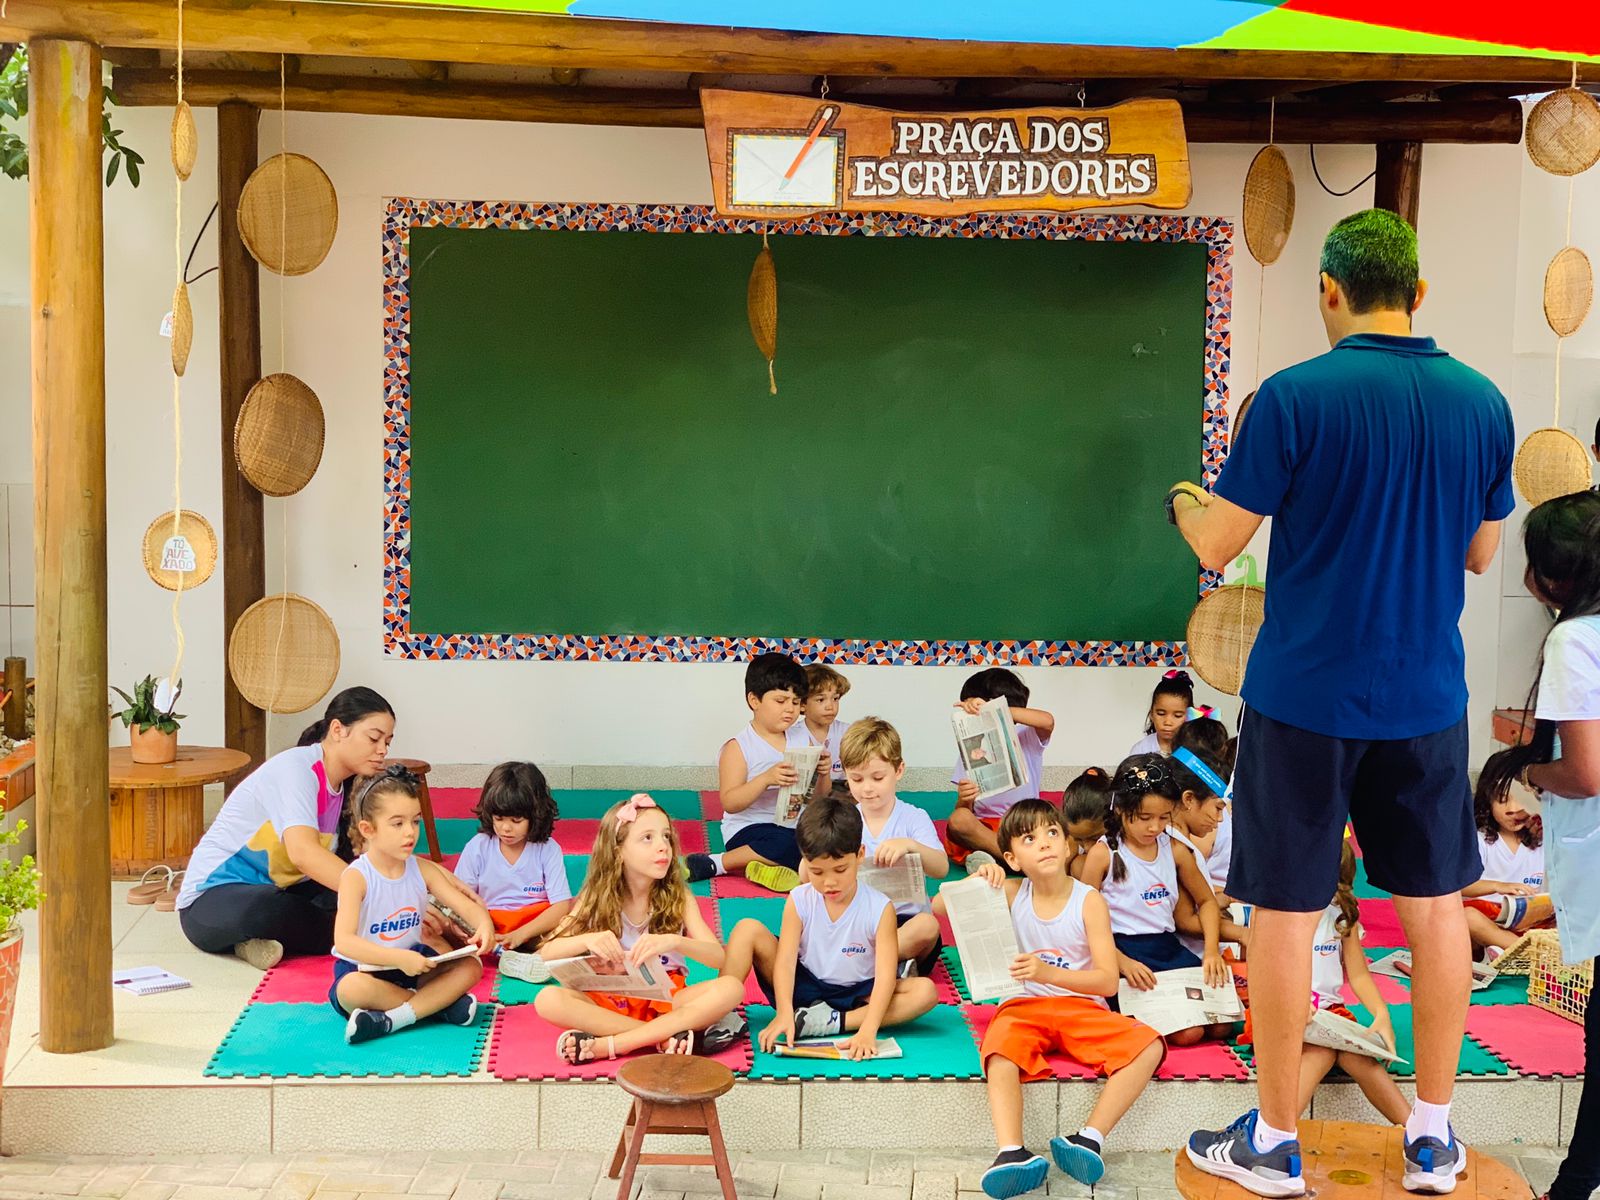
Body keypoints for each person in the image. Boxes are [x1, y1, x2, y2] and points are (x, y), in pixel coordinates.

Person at [1168, 209, 1515, 1196]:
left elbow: (1214, 548)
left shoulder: (1290, 398)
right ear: (1419, 290)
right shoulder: (1482, 402)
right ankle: (1435, 1139)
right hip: (1423, 696)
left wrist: (1187, 504)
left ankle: (1273, 1144)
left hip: (1304, 697)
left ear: (1328, 289)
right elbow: (1480, 551)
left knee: (1281, 913)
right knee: (1434, 908)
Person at [1475, 492, 1600, 1200]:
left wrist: (1527, 771)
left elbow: (1585, 771)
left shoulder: (1574, 637)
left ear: (1553, 576)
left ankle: (1576, 1181)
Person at [965, 799, 1164, 1200]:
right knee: (998, 1050)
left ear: (1068, 844)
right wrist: (980, 880)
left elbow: (1108, 982)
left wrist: (1047, 973)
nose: (1044, 844)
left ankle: (1089, 1138)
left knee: (1150, 1046)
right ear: (1012, 858)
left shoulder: (1089, 900)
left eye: (1052, 833)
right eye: (1029, 838)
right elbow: (941, 905)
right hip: (1025, 1008)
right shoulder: (1010, 892)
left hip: (1082, 1008)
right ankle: (1010, 1152)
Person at [177, 687, 396, 970]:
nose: (383, 750)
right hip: (212, 901)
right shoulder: (297, 770)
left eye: (387, 742)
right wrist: (384, 898)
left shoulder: (346, 788)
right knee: (270, 908)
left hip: (285, 890)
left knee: (347, 895)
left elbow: (355, 864)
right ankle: (354, 933)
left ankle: (261, 942)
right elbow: (303, 854)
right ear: (338, 730)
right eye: (374, 738)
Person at [721, 796, 937, 1058]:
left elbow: (883, 978)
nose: (829, 883)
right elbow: (786, 962)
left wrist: (868, 1029)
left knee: (925, 992)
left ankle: (830, 1022)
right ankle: (720, 1016)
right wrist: (785, 1012)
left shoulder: (880, 908)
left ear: (859, 856)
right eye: (818, 872)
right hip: (805, 985)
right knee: (747, 929)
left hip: (857, 994)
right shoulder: (799, 899)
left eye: (840, 869)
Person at [535, 794, 746, 1063]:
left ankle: (613, 1045)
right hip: (610, 1001)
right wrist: (589, 939)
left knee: (731, 988)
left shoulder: (680, 896)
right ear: (618, 851)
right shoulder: (596, 896)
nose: (663, 847)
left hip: (668, 1001)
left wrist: (675, 942)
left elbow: (718, 957)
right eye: (647, 838)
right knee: (548, 999)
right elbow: (548, 951)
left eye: (666, 836)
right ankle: (661, 1039)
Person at [1242, 839, 1410, 1126]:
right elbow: (1259, 968)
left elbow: (1357, 974)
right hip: (1277, 1011)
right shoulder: (1278, 914)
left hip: (1329, 1014)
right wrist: (1292, 1003)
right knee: (1321, 1051)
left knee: (1361, 1058)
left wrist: (1381, 1014)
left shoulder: (1342, 916)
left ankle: (1418, 1132)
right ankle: (1272, 1131)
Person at [330, 765, 493, 1044]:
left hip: (417, 964)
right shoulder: (356, 877)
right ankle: (436, 1007)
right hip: (368, 970)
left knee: (472, 967)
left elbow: (464, 905)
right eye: (398, 823)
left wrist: (484, 923)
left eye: (415, 822)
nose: (410, 832)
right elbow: (344, 942)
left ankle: (391, 1020)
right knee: (349, 990)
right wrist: (398, 959)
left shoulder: (422, 869)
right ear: (368, 829)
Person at [1079, 755, 1232, 1045]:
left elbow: (1208, 901)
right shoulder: (1103, 854)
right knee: (1190, 1033)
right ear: (1121, 809)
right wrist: (1121, 963)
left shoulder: (1173, 848)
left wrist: (1211, 950)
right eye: (1145, 818)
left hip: (1167, 948)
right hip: (1120, 950)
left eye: (1164, 818)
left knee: (1221, 1026)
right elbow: (1081, 919)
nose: (1155, 828)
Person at [685, 651, 824, 892]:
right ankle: (716, 863)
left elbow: (819, 798)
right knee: (788, 844)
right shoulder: (738, 747)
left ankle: (764, 869)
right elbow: (730, 802)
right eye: (780, 701)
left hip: (797, 825)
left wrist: (822, 773)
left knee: (838, 832)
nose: (790, 710)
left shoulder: (803, 737)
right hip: (751, 830)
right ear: (754, 700)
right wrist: (766, 779)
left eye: (795, 702)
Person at [840, 716, 949, 974]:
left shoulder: (913, 817)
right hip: (862, 923)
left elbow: (941, 868)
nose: (867, 788)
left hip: (906, 923)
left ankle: (868, 965)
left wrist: (911, 845)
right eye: (857, 779)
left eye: (877, 778)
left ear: (898, 771)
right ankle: (891, 968)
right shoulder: (846, 820)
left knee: (928, 926)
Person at [453, 761, 571, 985]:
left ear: (535, 816)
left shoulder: (547, 849)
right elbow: (461, 897)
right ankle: (512, 957)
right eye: (499, 819)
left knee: (576, 923)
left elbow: (561, 906)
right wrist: (477, 928)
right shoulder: (478, 846)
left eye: (516, 821)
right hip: (489, 926)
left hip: (534, 927)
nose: (506, 829)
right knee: (442, 923)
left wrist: (521, 934)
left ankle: (532, 960)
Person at [944, 668, 1056, 871]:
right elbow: (963, 812)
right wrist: (963, 799)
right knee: (959, 820)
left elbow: (1047, 721)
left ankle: (1000, 860)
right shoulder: (971, 746)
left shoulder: (1026, 735)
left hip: (1023, 822)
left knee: (1055, 823)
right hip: (986, 828)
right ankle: (1019, 860)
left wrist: (995, 710)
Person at [1461, 753, 1548, 961]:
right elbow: (1461, 885)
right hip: (1487, 920)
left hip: (1530, 924)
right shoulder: (1480, 839)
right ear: (1488, 801)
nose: (1514, 809)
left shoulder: (1544, 841)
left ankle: (1505, 952)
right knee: (1467, 918)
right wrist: (1498, 886)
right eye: (1502, 800)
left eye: (1522, 799)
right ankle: (1528, 954)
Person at [1167, 747, 1248, 955]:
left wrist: (1226, 897)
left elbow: (1201, 901)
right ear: (1189, 800)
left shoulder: (1183, 843)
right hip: (1191, 958)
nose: (1220, 819)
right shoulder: (1176, 847)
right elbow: (1186, 920)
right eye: (1217, 808)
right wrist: (1242, 934)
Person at [801, 663, 852, 788]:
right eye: (820, 700)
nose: (830, 706)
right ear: (802, 704)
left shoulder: (849, 733)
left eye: (835, 699)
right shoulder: (792, 736)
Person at [1062, 767, 1113, 880]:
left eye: (1095, 838)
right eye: (1079, 839)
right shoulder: (1068, 844)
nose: (1087, 848)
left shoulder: (1132, 837)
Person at [1129, 670, 1194, 756]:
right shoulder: (1140, 750)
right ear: (1151, 714)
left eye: (1177, 716)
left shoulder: (1195, 750)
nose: (1168, 722)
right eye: (1161, 713)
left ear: (1190, 716)